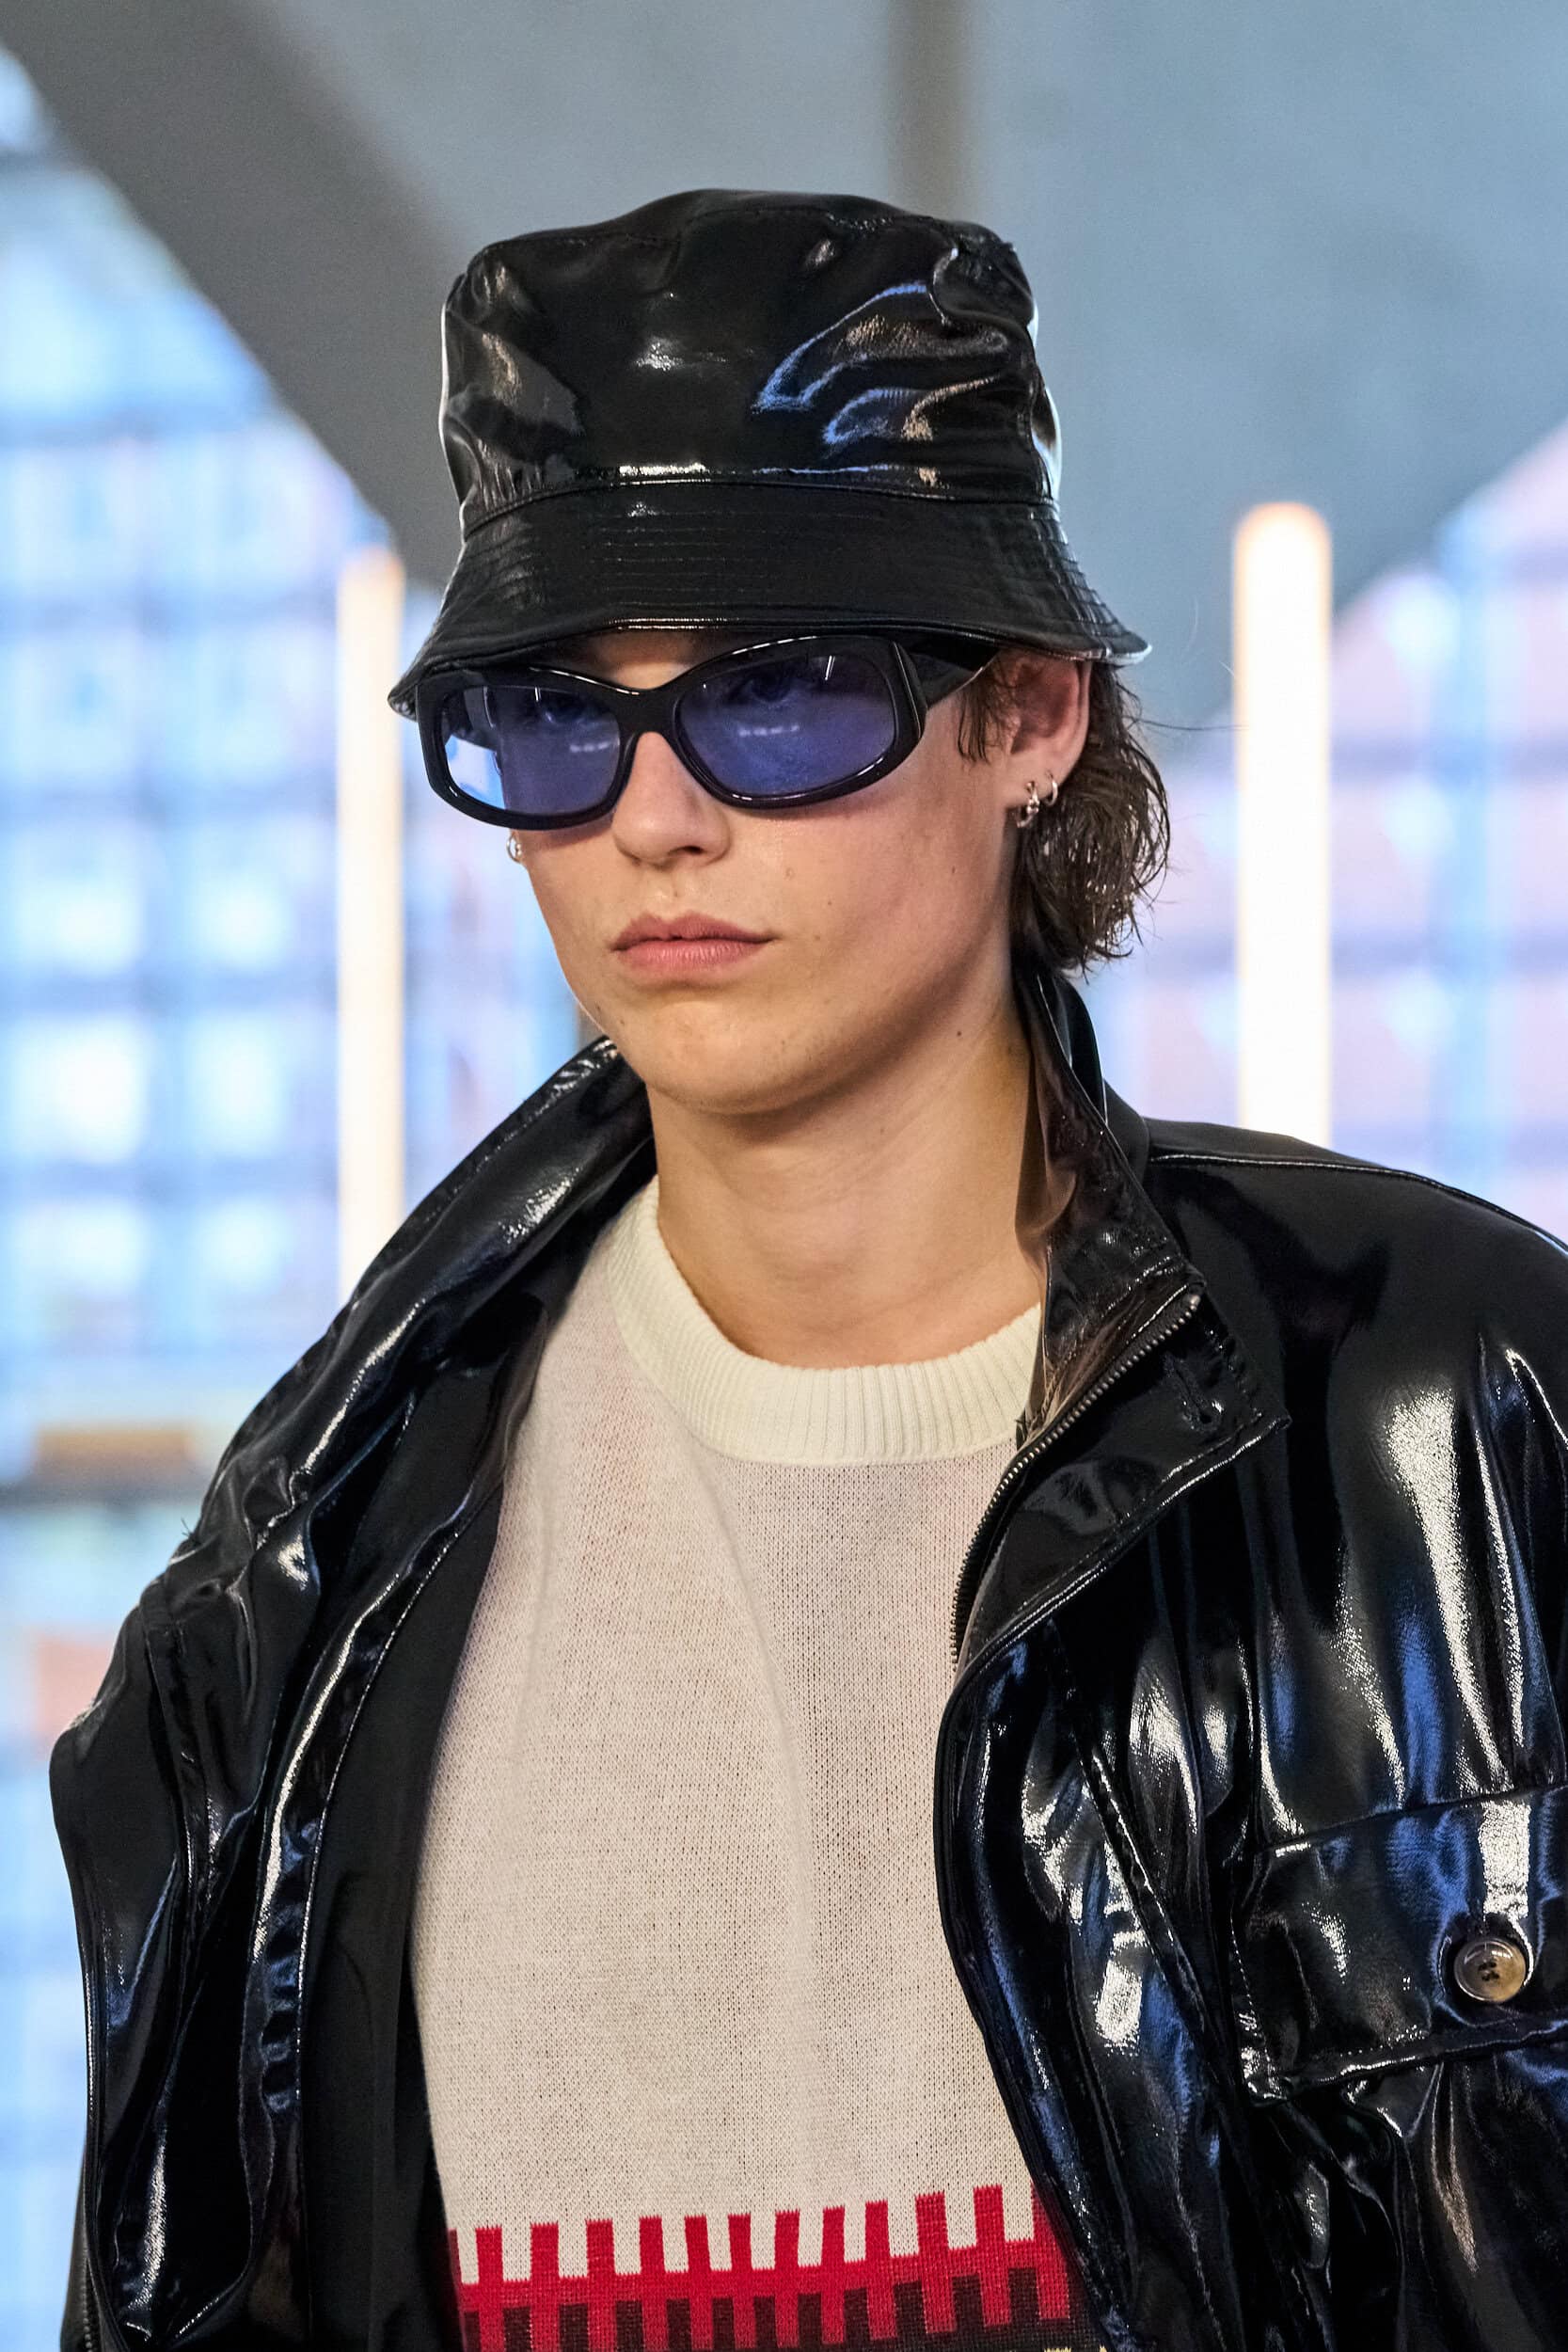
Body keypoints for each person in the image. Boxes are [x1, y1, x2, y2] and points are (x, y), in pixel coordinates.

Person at [53, 188, 1568, 2352]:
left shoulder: (1443, 1414)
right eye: (555, 719)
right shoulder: (318, 1567)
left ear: (1029, 716)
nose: (655, 818)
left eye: (774, 700)